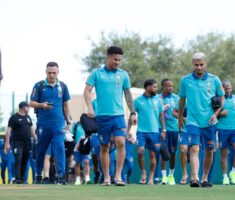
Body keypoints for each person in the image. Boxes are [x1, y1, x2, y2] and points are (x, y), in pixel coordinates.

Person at [84, 46, 137, 186]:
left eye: (119, 60)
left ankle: (118, 176)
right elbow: (87, 91)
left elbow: (128, 94)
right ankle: (106, 177)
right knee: (104, 147)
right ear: (108, 57)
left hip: (118, 116)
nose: (117, 62)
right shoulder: (96, 73)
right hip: (101, 117)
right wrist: (90, 107)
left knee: (121, 142)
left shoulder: (123, 74)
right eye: (115, 59)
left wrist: (132, 112)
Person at [178, 52, 225, 188]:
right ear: (192, 64)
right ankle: (194, 178)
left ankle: (204, 177)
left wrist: (216, 113)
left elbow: (222, 98)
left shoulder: (215, 79)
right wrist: (180, 118)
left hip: (210, 122)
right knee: (194, 149)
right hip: (192, 121)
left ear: (205, 63)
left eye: (201, 64)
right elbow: (182, 100)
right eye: (196, 65)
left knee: (209, 150)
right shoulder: (185, 80)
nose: (199, 67)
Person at [30, 61, 72, 185]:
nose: (52, 75)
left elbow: (66, 105)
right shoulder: (39, 85)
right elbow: (31, 103)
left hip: (59, 124)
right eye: (49, 73)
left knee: (59, 148)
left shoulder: (63, 86)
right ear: (45, 72)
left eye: (54, 72)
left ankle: (61, 176)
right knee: (41, 150)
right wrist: (42, 105)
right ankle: (38, 175)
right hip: (43, 123)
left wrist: (68, 121)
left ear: (58, 72)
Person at [128, 79, 166, 185]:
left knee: (153, 155)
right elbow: (132, 116)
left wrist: (163, 130)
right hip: (141, 132)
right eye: (154, 87)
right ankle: (143, 172)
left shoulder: (158, 100)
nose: (156, 88)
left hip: (154, 132)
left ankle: (151, 178)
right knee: (140, 151)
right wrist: (127, 131)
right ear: (148, 87)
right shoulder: (137, 101)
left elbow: (161, 116)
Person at [217, 80, 235, 185]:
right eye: (226, 88)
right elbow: (213, 115)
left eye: (229, 88)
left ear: (231, 88)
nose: (228, 90)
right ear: (222, 89)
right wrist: (221, 113)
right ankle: (225, 176)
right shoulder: (218, 99)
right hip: (222, 129)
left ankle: (233, 172)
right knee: (224, 154)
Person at [4, 101, 37, 184]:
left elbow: (32, 129)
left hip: (27, 143)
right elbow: (8, 131)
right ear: (23, 107)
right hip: (17, 143)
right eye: (28, 107)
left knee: (25, 160)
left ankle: (22, 178)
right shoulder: (14, 117)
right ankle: (17, 179)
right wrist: (7, 144)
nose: (29, 108)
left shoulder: (28, 117)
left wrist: (36, 139)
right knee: (18, 159)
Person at [158, 79, 179, 185]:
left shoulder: (177, 98)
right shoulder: (158, 98)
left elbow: (181, 112)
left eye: (172, 86)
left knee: (173, 153)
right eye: (168, 86)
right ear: (162, 87)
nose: (170, 88)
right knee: (163, 152)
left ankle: (171, 175)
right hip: (163, 129)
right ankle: (164, 177)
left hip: (175, 129)